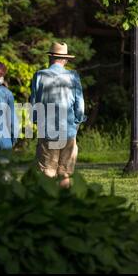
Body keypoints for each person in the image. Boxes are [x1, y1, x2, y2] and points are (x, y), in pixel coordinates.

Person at [30, 42, 87, 188]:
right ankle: (64, 204)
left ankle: (48, 204)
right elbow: (79, 104)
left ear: (50, 58)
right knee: (65, 171)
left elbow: (34, 103)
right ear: (66, 60)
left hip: (47, 129)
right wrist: (77, 121)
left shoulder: (39, 76)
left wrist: (36, 121)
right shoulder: (73, 76)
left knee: (46, 171)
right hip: (68, 129)